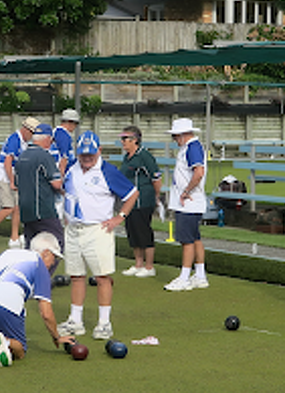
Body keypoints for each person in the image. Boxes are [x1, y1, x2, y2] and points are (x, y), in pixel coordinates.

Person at [58, 130, 138, 340]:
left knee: (102, 277)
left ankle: (104, 323)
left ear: (99, 151)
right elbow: (67, 190)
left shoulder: (107, 171)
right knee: (76, 276)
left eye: (90, 155)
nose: (86, 159)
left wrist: (119, 217)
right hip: (74, 230)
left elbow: (132, 194)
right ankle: (76, 320)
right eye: (83, 154)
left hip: (98, 230)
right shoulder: (72, 168)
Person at [0, 232, 74, 366]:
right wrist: (57, 337)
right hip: (4, 301)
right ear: (45, 253)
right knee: (20, 351)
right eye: (54, 257)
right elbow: (46, 313)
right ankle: (5, 342)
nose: (53, 263)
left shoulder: (11, 252)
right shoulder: (40, 267)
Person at [0, 116, 39, 249]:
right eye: (32, 133)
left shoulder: (24, 142)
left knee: (17, 208)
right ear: (26, 129)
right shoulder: (14, 139)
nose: (32, 136)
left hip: (13, 177)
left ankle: (14, 237)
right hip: (3, 177)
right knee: (8, 207)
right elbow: (7, 162)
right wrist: (12, 182)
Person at [164, 118, 209, 291]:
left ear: (183, 135)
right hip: (189, 201)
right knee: (195, 237)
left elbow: (198, 173)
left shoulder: (192, 148)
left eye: (175, 136)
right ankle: (199, 275)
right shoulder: (189, 148)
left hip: (189, 202)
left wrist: (186, 191)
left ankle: (184, 278)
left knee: (186, 240)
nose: (174, 140)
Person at [119, 125, 163, 277]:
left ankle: (149, 267)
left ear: (134, 140)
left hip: (143, 200)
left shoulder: (145, 156)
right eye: (122, 138)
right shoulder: (126, 157)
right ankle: (138, 264)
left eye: (125, 139)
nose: (122, 142)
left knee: (144, 232)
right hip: (128, 201)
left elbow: (156, 177)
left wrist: (156, 196)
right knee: (132, 232)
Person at [15, 123, 64, 253]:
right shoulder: (44, 156)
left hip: (25, 210)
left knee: (31, 247)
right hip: (43, 209)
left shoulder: (22, 156)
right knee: (57, 244)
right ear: (47, 138)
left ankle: (29, 273)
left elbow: (15, 183)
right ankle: (44, 273)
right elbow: (57, 184)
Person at [51, 108, 79, 176]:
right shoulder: (64, 135)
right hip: (61, 170)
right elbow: (64, 157)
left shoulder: (56, 131)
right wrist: (62, 176)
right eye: (76, 123)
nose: (75, 126)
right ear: (70, 122)